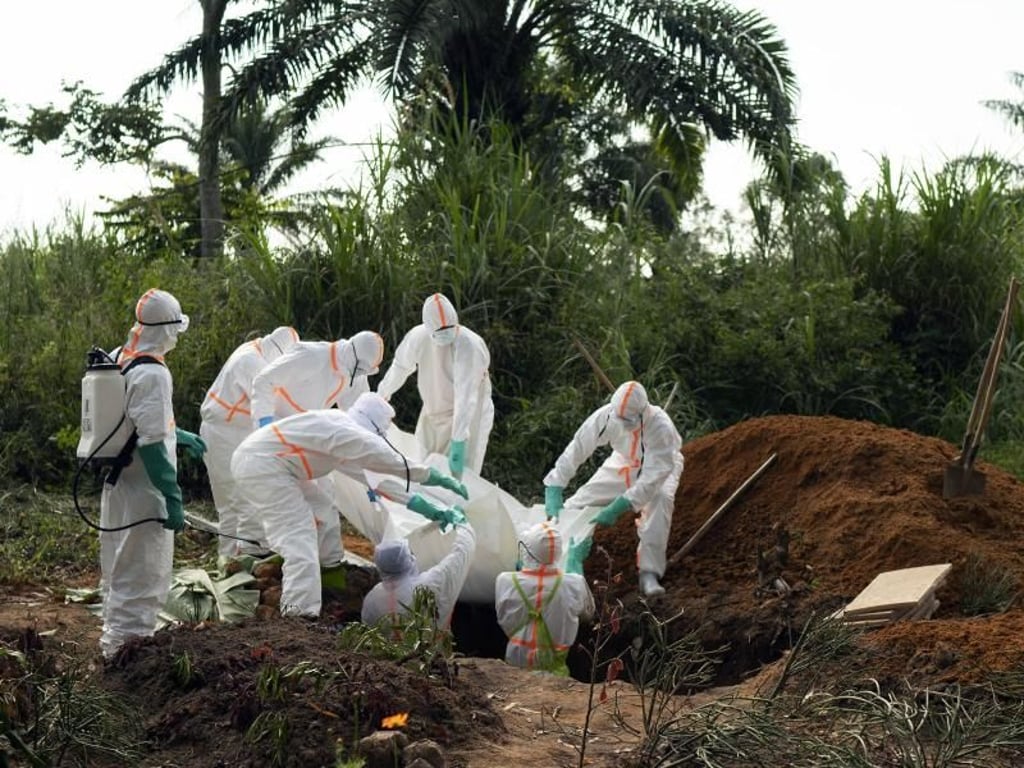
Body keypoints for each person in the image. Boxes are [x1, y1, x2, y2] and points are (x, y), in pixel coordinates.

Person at [231, 392, 468, 618]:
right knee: (299, 539)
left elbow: (380, 482)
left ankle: (327, 577)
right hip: (263, 467)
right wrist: (433, 476)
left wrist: (428, 508)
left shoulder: (340, 434)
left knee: (322, 509)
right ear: (374, 427)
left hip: (273, 465)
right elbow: (390, 460)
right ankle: (300, 616)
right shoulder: (345, 432)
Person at [99, 288, 204, 659]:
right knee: (143, 572)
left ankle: (114, 642)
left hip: (118, 483)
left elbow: (132, 421)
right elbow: (152, 445)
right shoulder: (154, 374)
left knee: (118, 565)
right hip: (145, 491)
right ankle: (129, 655)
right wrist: (172, 498)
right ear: (168, 330)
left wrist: (179, 434)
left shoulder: (119, 357)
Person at [542, 381, 683, 597]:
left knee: (660, 500)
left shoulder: (660, 427)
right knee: (581, 501)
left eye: (628, 421)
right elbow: (578, 446)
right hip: (623, 461)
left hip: (661, 468)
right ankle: (546, 550)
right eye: (620, 419)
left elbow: (652, 478)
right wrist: (555, 485)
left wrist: (620, 505)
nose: (623, 424)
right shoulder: (607, 415)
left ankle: (649, 572)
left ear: (642, 412)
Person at [199, 326, 299, 562]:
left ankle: (230, 560)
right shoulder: (252, 363)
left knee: (233, 502)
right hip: (225, 434)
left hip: (227, 431)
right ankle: (248, 560)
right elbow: (272, 402)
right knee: (242, 497)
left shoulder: (252, 348)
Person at [376, 293, 493, 479]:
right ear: (428, 328)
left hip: (468, 416)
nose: (444, 333)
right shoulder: (419, 337)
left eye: (449, 328)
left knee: (462, 474)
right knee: (423, 465)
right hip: (433, 409)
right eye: (439, 330)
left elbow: (466, 395)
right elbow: (400, 367)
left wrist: (459, 440)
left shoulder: (469, 345)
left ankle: (456, 506)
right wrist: (382, 395)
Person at [494, 522, 594, 675]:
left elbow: (503, 618)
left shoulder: (505, 581)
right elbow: (588, 615)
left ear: (527, 551)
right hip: (555, 673)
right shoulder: (573, 584)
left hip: (514, 669)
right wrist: (576, 573)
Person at [250, 330, 385, 425]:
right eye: (360, 367)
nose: (360, 373)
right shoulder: (312, 356)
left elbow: (357, 413)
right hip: (274, 422)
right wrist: (265, 421)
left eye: (365, 371)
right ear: (351, 350)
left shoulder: (356, 375)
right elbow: (264, 381)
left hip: (304, 431)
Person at [361, 523, 477, 632]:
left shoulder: (372, 599)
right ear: (408, 560)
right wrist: (462, 524)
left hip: (386, 653)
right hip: (434, 651)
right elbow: (462, 553)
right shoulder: (430, 584)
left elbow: (369, 631)